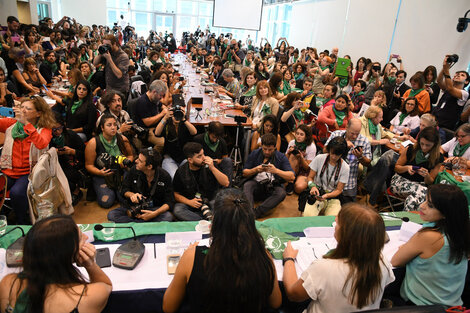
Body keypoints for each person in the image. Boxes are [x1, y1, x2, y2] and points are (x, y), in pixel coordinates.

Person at [163, 188, 282, 313]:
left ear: (214, 222)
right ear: (249, 221)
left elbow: (168, 307)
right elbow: (276, 303)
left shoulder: (191, 257)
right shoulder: (263, 256)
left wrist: (189, 254)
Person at [283, 203, 395, 313]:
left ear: (347, 236)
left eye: (338, 224)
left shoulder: (324, 268)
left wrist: (289, 259)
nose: (335, 224)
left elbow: (293, 294)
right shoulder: (382, 262)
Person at [0, 215, 112, 313]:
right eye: (80, 238)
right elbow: (106, 286)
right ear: (65, 254)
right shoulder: (85, 296)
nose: (86, 237)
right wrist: (90, 264)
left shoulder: (8, 284)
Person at [391, 184, 470, 306]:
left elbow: (396, 261)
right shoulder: (461, 232)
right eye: (426, 200)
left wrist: (407, 249)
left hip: (420, 305)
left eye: (430, 205)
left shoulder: (429, 236)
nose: (422, 206)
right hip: (452, 304)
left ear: (445, 213)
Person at [0, 97, 55, 224]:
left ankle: (22, 221)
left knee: (17, 193)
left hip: (29, 172)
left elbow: (41, 144)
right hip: (8, 170)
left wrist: (27, 124)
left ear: (38, 113)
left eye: (28, 109)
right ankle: (3, 218)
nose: (23, 111)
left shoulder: (44, 128)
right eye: (22, 107)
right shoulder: (11, 124)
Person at [108, 148, 174, 223]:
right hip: (134, 207)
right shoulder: (134, 170)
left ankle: (135, 224)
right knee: (112, 215)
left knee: (168, 217)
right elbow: (123, 189)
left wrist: (154, 214)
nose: (136, 161)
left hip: (153, 209)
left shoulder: (164, 176)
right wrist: (132, 195)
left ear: (149, 166)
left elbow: (169, 202)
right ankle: (146, 224)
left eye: (140, 161)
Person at [85, 114, 134, 208]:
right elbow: (88, 165)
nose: (113, 128)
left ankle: (117, 191)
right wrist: (99, 172)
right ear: (102, 128)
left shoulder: (122, 139)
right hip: (102, 175)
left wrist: (126, 162)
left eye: (115, 125)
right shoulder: (93, 143)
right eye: (109, 125)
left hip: (120, 173)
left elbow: (130, 156)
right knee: (106, 202)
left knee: (125, 200)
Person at [172, 142, 229, 221]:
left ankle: (207, 218)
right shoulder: (181, 171)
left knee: (223, 204)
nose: (204, 158)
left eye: (203, 154)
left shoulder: (210, 165)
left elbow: (226, 183)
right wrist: (189, 202)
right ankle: (204, 220)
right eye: (199, 156)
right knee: (178, 210)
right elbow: (175, 193)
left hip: (211, 199)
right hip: (193, 202)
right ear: (190, 160)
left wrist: (212, 168)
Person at [391, 126, 443, 211]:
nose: (424, 147)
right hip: (400, 181)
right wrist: (407, 168)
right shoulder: (411, 149)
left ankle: (405, 220)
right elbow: (396, 168)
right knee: (423, 195)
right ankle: (413, 222)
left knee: (414, 198)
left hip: (420, 186)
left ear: (435, 144)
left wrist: (426, 175)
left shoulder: (438, 158)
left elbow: (430, 181)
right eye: (422, 143)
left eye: (428, 145)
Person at [243, 133, 295, 218]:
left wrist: (276, 171)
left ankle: (255, 213)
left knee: (281, 193)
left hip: (272, 187)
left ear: (275, 147)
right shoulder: (255, 153)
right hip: (257, 185)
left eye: (270, 150)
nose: (267, 152)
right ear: (261, 146)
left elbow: (292, 176)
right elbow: (244, 172)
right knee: (247, 185)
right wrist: (255, 170)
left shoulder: (280, 157)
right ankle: (250, 211)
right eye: (265, 149)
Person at [300, 137, 350, 216]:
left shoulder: (345, 167)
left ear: (342, 154)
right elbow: (310, 177)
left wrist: (327, 195)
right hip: (317, 193)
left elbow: (339, 190)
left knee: (333, 221)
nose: (333, 157)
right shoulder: (319, 158)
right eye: (332, 153)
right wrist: (312, 186)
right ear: (329, 149)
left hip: (332, 198)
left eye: (337, 155)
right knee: (307, 216)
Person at [325, 118, 372, 202]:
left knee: (348, 210)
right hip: (331, 181)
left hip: (349, 183)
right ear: (347, 127)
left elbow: (368, 163)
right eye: (352, 133)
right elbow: (324, 150)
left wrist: (360, 157)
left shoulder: (364, 141)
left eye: (357, 134)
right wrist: (341, 145)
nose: (354, 136)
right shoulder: (336, 134)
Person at [49, 113, 86, 206]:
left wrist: (72, 152)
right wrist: (53, 152)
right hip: (56, 167)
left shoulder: (71, 135)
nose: (57, 132)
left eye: (59, 128)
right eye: (54, 129)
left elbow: (86, 154)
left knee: (67, 180)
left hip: (73, 166)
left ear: (63, 126)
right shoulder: (48, 138)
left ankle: (76, 190)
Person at [433, 56, 470, 130]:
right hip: (433, 121)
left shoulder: (464, 94)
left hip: (444, 127)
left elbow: (451, 89)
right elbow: (439, 81)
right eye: (457, 74)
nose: (458, 75)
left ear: (466, 81)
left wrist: (446, 70)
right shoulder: (448, 89)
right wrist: (445, 67)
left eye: (462, 75)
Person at [133, 80, 168, 149]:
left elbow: (162, 106)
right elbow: (147, 122)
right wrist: (162, 114)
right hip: (147, 131)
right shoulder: (142, 102)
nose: (161, 98)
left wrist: (166, 109)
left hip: (156, 126)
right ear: (154, 92)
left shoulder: (154, 98)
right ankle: (153, 158)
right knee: (162, 143)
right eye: (160, 95)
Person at [285, 124, 317, 194]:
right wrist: (288, 153)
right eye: (297, 134)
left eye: (302, 134)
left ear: (306, 136)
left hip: (305, 170)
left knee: (298, 188)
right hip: (293, 166)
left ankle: (299, 182)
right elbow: (284, 160)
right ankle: (291, 182)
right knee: (293, 155)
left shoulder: (311, 147)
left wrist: (301, 157)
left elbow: (307, 168)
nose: (298, 136)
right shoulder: (292, 142)